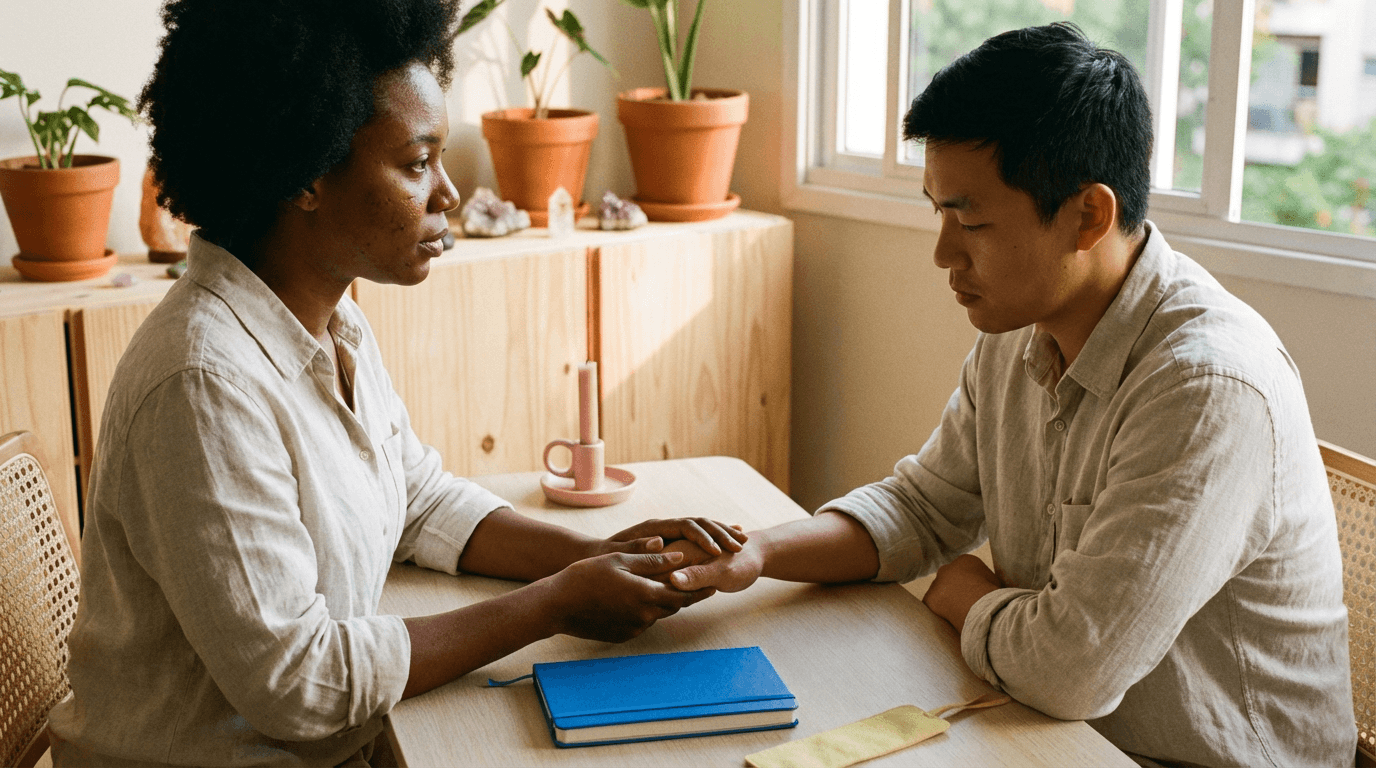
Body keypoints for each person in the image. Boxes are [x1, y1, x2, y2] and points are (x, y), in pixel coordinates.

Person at [47, 1, 745, 764]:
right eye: (417, 163)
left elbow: (416, 499)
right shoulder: (202, 385)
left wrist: (586, 554)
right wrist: (554, 603)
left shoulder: (332, 320)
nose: (447, 193)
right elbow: (298, 685)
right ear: (306, 174)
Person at [666, 23, 1356, 767]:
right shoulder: (1017, 332)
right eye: (938, 211)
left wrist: (965, 593)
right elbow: (922, 510)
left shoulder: (1206, 387)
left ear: (1088, 215)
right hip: (1054, 733)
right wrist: (757, 553)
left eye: (973, 220)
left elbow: (1072, 670)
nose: (943, 253)